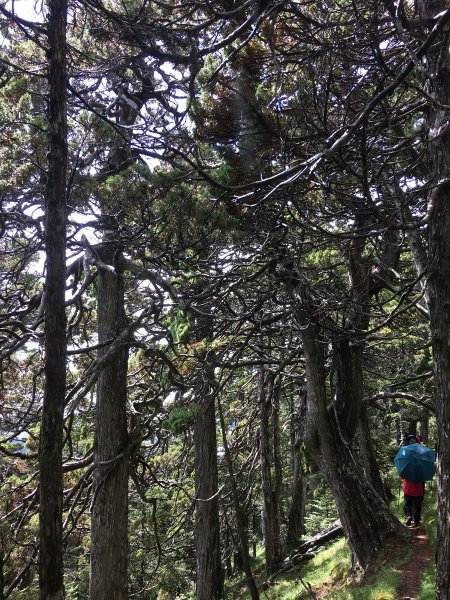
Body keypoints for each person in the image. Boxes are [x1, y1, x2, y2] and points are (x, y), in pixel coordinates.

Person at [401, 434, 425, 528]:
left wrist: (402, 477)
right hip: (418, 486)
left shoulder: (405, 457)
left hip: (407, 485)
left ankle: (409, 516)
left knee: (408, 503)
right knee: (417, 505)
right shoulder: (421, 456)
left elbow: (402, 473)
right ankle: (416, 521)